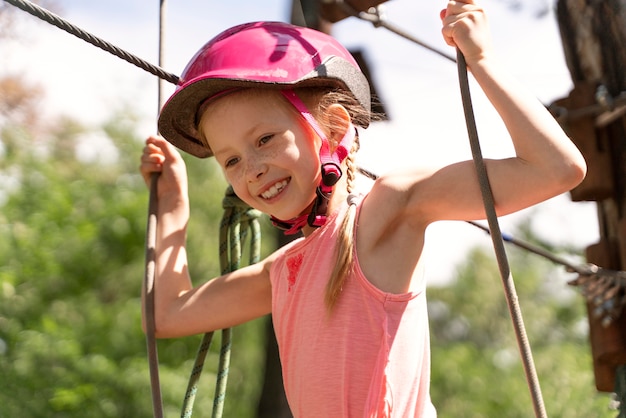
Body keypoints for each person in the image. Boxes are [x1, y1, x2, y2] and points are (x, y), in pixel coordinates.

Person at [139, 1, 587, 416]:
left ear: (334, 127)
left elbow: (555, 169)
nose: (251, 169)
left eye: (265, 139)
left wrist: (483, 61)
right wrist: (174, 208)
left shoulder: (388, 209)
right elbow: (169, 315)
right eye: (231, 160)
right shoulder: (283, 273)